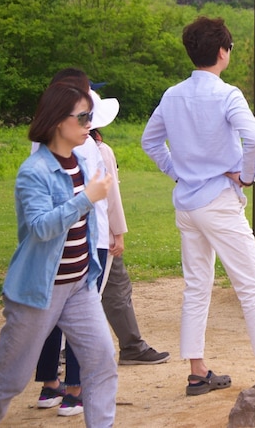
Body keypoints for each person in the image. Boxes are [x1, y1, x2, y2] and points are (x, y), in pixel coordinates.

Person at [141, 16, 255, 397]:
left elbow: (149, 142)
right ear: (222, 52)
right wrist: (246, 176)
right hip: (218, 201)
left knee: (196, 286)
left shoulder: (173, 95)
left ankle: (197, 371)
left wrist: (178, 172)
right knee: (250, 282)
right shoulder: (227, 94)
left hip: (187, 202)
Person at [0, 84, 117, 428]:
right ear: (56, 121)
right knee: (10, 379)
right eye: (83, 117)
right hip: (40, 291)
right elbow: (39, 228)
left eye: (90, 117)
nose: (89, 124)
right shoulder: (33, 171)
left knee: (102, 363)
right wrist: (86, 199)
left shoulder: (82, 160)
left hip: (79, 286)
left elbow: (87, 226)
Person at [34, 73, 169, 417]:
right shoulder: (95, 148)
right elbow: (107, 199)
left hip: (52, 243)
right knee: (84, 315)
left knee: (53, 313)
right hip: (88, 240)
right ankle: (75, 391)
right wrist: (117, 234)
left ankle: (50, 385)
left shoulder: (39, 145)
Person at [93, 126, 171, 366]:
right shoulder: (98, 149)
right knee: (116, 286)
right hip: (99, 234)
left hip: (71, 235)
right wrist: (118, 231)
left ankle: (59, 351)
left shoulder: (50, 145)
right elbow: (111, 195)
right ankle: (132, 346)